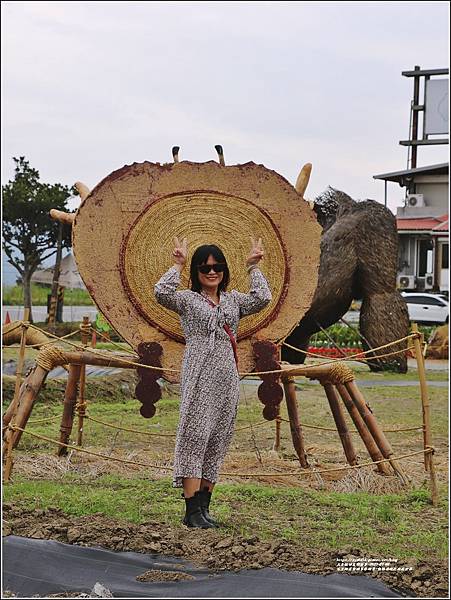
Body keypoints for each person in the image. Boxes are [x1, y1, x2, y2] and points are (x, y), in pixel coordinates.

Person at [154, 236, 272, 528]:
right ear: (196, 271)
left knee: (217, 438)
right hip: (198, 372)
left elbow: (263, 298)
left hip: (226, 376)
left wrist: (253, 267)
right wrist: (178, 264)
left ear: (224, 270)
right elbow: (161, 292)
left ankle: (204, 508)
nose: (211, 271)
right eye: (204, 267)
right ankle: (191, 510)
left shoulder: (234, 300)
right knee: (195, 436)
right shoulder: (187, 299)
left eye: (217, 266)